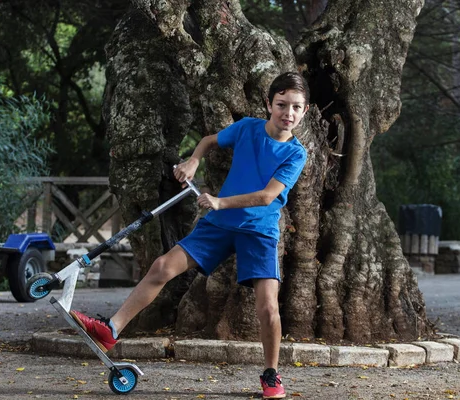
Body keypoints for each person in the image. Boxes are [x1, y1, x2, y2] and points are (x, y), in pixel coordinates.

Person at [70, 71, 310, 400]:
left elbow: (268, 196)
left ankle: (271, 373)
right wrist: (194, 159)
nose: (289, 114)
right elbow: (211, 141)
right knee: (162, 267)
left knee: (268, 307)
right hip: (220, 224)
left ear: (305, 111)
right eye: (282, 105)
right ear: (269, 104)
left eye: (296, 107)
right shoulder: (247, 128)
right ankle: (110, 330)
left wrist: (219, 201)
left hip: (259, 231)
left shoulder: (296, 153)